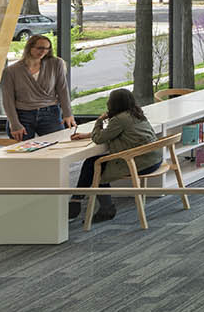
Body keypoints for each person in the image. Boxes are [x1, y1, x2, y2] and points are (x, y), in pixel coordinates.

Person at [68, 88, 162, 223]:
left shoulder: (118, 119)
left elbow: (99, 139)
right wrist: (86, 135)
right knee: (93, 162)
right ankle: (78, 199)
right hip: (154, 159)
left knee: (95, 166)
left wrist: (99, 121)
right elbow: (113, 132)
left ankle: (100, 206)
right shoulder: (136, 114)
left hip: (139, 163)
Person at [1, 33, 75, 141]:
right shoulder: (11, 71)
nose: (43, 51)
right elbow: (8, 100)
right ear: (29, 47)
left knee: (58, 147)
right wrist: (14, 123)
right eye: (40, 48)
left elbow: (62, 90)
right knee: (23, 153)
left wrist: (68, 114)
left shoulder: (56, 64)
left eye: (47, 48)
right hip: (22, 116)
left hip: (50, 113)